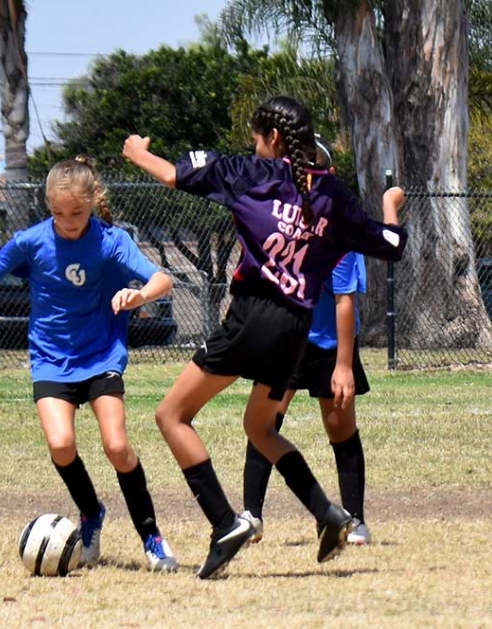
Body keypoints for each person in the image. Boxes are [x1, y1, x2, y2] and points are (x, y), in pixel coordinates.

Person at [122, 95, 407, 579]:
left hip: (253, 317)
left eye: (257, 137)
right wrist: (389, 205)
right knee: (260, 428)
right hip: (295, 332)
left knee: (171, 415)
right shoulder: (334, 196)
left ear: (272, 139)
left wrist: (136, 153)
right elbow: (393, 246)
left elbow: (173, 174)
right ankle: (329, 514)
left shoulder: (250, 175)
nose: (254, 146)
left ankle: (225, 522)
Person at [0, 156, 179, 572]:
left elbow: (162, 279)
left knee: (117, 445)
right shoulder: (31, 240)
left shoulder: (111, 240)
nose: (68, 221)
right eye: (58, 213)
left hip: (101, 354)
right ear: (46, 206)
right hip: (51, 360)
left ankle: (151, 538)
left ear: (92, 202)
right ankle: (91, 512)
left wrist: (139, 296)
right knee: (60, 445)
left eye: (77, 212)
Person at [242, 138, 376, 546]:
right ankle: (251, 516)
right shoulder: (278, 222)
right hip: (286, 340)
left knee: (340, 429)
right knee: (264, 424)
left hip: (327, 348)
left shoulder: (338, 229)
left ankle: (354, 518)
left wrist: (343, 366)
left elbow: (344, 302)